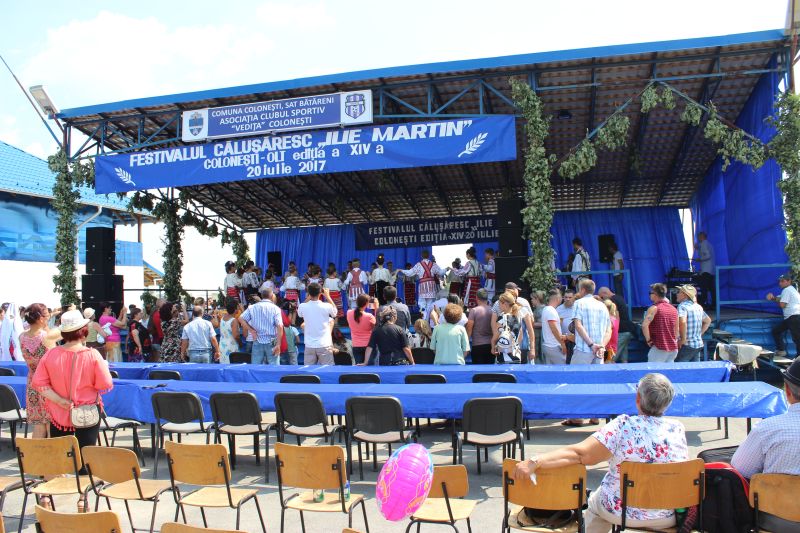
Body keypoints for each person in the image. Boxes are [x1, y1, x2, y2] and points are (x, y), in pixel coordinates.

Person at [513, 373, 688, 533]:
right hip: (666, 515)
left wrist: (535, 461)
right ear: (668, 402)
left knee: (595, 503)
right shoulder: (677, 429)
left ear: (638, 398)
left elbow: (580, 454)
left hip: (620, 511)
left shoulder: (623, 426)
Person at [32, 309, 114, 511]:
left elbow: (39, 384)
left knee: (58, 457)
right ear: (83, 331)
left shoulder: (51, 355)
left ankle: (47, 496)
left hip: (59, 414)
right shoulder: (92, 355)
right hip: (87, 413)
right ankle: (82, 499)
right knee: (85, 458)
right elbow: (105, 383)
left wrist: (59, 400)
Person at [19, 304, 60, 438]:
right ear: (41, 318)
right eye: (47, 316)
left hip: (32, 382)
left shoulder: (22, 337)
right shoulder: (47, 337)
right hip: (48, 384)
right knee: (50, 423)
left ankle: (35, 451)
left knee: (38, 425)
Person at [239, 287, 284, 365]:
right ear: (271, 296)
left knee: (256, 367)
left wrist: (251, 330)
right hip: (271, 341)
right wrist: (278, 344)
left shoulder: (252, 307)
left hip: (257, 340)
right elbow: (280, 326)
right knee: (274, 368)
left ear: (261, 296)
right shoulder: (276, 309)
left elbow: (241, 318)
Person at [297, 283, 338, 365]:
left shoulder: (303, 306)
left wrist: (309, 297)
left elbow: (299, 313)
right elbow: (335, 313)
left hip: (309, 345)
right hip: (324, 344)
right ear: (320, 293)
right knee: (327, 369)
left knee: (308, 370)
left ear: (309, 293)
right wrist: (328, 296)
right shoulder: (326, 306)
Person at [491, 291, 536, 363]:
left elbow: (495, 337)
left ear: (505, 304)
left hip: (503, 355)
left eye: (499, 303)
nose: (498, 306)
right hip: (516, 354)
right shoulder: (519, 317)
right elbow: (520, 337)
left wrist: (493, 346)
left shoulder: (502, 317)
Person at [399, 251, 444, 318]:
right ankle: (430, 319)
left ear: (421, 256)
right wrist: (447, 268)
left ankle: (424, 319)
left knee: (422, 304)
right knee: (430, 304)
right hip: (431, 286)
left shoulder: (419, 265)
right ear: (429, 256)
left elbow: (410, 273)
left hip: (423, 286)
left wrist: (401, 270)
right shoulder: (433, 264)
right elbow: (441, 272)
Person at [642, 283, 679, 363]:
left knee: (653, 370)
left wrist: (648, 340)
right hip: (673, 348)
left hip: (659, 347)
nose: (649, 295)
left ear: (655, 294)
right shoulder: (674, 309)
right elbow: (676, 331)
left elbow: (644, 325)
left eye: (650, 293)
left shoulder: (654, 308)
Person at [597, 286, 635, 363]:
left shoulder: (612, 301)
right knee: (623, 358)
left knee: (610, 359)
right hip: (626, 330)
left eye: (602, 297)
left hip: (621, 332)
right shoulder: (619, 297)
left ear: (605, 293)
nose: (602, 299)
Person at [767, 273, 800, 358]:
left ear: (789, 281)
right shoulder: (791, 289)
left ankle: (798, 358)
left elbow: (782, 304)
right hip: (790, 318)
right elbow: (780, 298)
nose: (780, 283)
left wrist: (774, 300)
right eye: (780, 281)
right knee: (776, 331)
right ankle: (781, 351)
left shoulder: (787, 290)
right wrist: (773, 298)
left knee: (797, 338)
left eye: (782, 281)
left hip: (794, 317)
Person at [675, 285, 711, 362]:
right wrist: (699, 334)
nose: (676, 294)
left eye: (678, 292)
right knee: (695, 367)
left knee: (680, 367)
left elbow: (682, 322)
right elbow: (708, 321)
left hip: (687, 344)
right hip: (698, 343)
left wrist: (683, 339)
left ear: (684, 295)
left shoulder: (682, 306)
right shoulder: (698, 307)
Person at [346, 293, 378, 364]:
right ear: (366, 303)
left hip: (356, 345)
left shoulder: (349, 313)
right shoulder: (369, 316)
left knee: (359, 368)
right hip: (369, 345)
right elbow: (376, 326)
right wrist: (376, 308)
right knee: (370, 368)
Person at [466, 288, 494, 364]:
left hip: (477, 345)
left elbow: (469, 328)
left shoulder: (474, 311)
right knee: (490, 368)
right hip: (490, 344)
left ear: (476, 298)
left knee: (478, 369)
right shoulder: (492, 310)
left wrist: (466, 343)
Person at [541, 289, 568, 365]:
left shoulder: (546, 309)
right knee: (562, 368)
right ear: (558, 298)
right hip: (553, 346)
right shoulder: (551, 310)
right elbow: (554, 329)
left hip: (549, 345)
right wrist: (562, 344)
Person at [694, 232, 715, 308]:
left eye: (699, 237)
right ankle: (713, 304)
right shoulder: (709, 245)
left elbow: (707, 256)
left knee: (704, 288)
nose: (698, 238)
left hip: (706, 271)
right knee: (712, 289)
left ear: (702, 237)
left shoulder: (703, 244)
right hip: (711, 270)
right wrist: (698, 249)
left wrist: (700, 259)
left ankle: (703, 304)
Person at [218, 299, 241, 364]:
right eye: (238, 307)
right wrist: (240, 343)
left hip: (222, 345)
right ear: (235, 309)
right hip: (231, 346)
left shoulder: (222, 318)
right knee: (232, 365)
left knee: (223, 365)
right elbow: (236, 336)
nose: (239, 308)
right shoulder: (233, 321)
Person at [556, 289, 577, 361]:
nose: (568, 299)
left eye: (570, 297)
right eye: (566, 297)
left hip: (575, 339)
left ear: (574, 298)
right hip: (563, 339)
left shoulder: (577, 308)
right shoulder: (559, 309)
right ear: (563, 298)